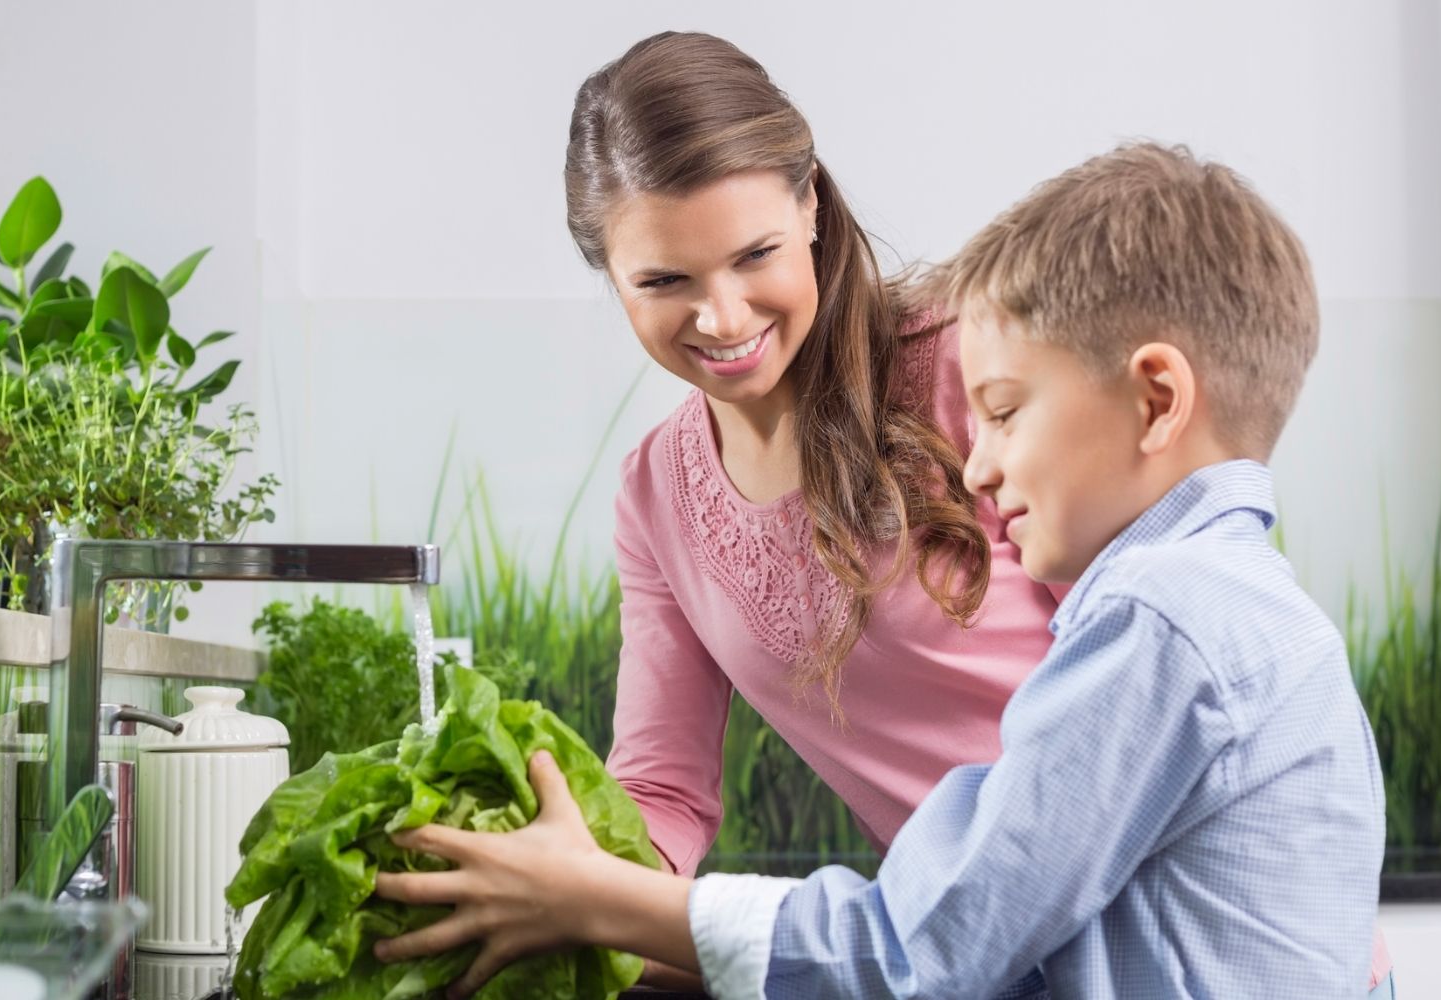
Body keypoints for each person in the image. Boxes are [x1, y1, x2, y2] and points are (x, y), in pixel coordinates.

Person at [373, 141, 1388, 998]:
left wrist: (604, 903)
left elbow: (929, 940)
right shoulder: (1229, 603)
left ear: (1156, 400)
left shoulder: (1162, 618)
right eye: (664, 278)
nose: (978, 465)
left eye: (999, 411)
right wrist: (608, 906)